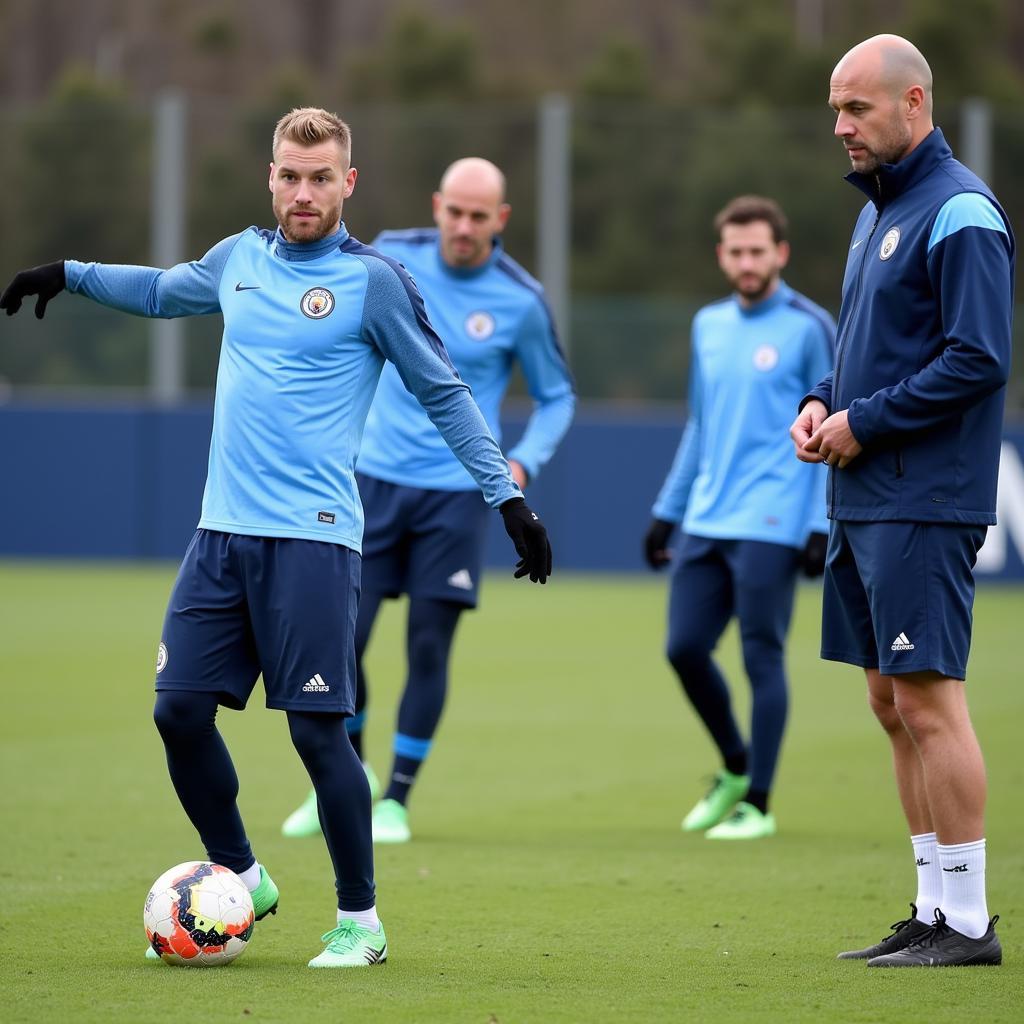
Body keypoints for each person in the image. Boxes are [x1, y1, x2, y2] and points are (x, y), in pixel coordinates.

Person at [0, 107, 552, 969]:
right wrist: (66, 274)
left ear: (348, 184)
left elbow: (444, 392)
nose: (304, 192)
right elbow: (158, 290)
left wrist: (503, 498)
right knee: (176, 712)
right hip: (219, 536)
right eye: (290, 176)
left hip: (315, 542)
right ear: (270, 176)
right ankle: (247, 875)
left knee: (317, 736)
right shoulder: (239, 259)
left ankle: (360, 925)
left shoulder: (376, 282)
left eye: (321, 177)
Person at [790, 35, 1012, 967]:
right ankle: (931, 905)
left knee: (928, 701)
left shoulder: (959, 209)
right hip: (868, 496)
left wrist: (864, 423)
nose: (840, 126)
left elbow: (978, 355)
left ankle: (968, 923)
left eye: (856, 109)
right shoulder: (881, 209)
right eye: (836, 110)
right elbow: (873, 343)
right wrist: (822, 404)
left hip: (923, 495)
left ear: (914, 103)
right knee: (890, 700)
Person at [281, 157, 575, 844]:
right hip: (371, 484)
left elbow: (558, 395)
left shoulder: (520, 300)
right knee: (342, 642)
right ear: (436, 205)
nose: (465, 227)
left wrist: (523, 461)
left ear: (500, 220)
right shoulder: (388, 259)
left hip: (454, 497)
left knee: (428, 647)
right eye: (456, 212)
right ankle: (342, 784)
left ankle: (396, 801)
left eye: (480, 217)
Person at [644, 196, 834, 841]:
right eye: (736, 251)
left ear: (780, 254)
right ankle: (734, 765)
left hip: (775, 519)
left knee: (762, 656)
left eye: (759, 251)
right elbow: (701, 424)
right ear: (722, 256)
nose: (747, 262)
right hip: (708, 515)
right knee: (683, 648)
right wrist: (666, 514)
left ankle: (759, 802)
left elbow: (830, 425)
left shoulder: (810, 327)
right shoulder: (708, 325)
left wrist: (818, 524)